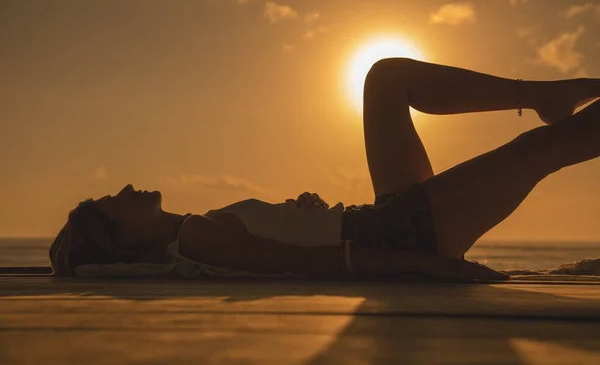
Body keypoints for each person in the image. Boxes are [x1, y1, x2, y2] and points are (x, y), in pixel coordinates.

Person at [49, 58, 600, 280]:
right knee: (547, 148)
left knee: (385, 78)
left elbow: (299, 245)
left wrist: (297, 212)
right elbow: (320, 264)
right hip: (401, 234)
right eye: (111, 202)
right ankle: (547, 100)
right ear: (122, 233)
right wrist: (435, 270)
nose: (122, 188)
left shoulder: (200, 229)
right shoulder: (196, 237)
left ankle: (543, 94)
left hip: (386, 219)